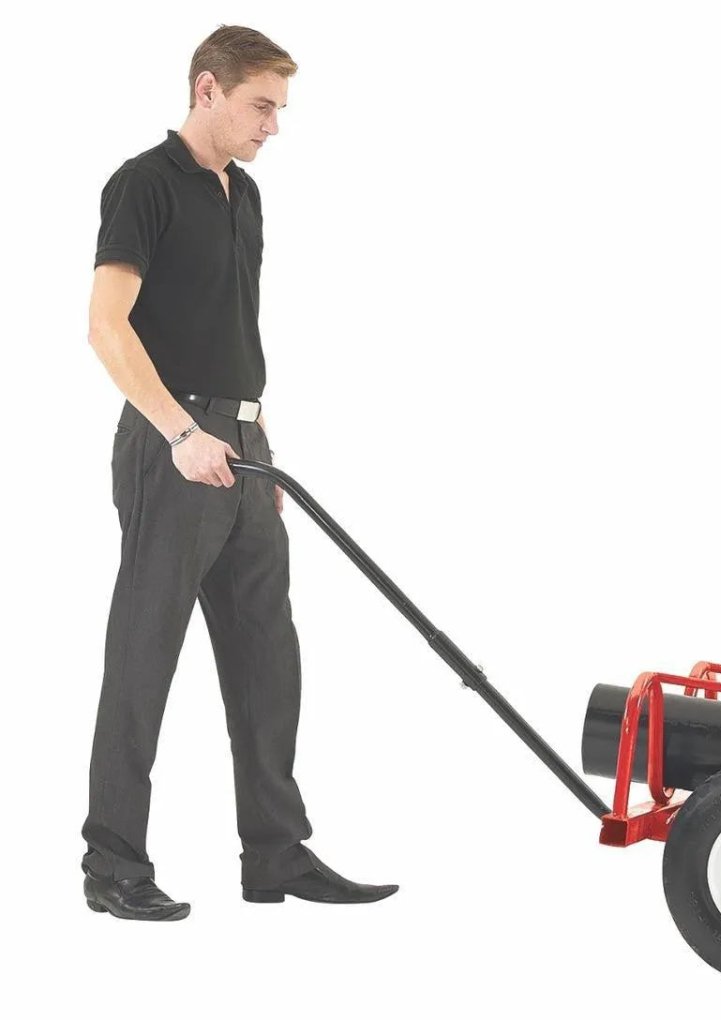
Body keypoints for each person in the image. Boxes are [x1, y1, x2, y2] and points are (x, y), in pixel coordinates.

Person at [82, 25, 397, 920]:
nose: (273, 126)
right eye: (262, 106)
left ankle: (277, 855)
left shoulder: (245, 194)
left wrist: (259, 442)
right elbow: (107, 327)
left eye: (280, 110)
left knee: (268, 654)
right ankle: (112, 864)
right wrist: (182, 431)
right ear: (207, 89)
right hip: (171, 440)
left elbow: (232, 332)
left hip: (246, 448)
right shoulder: (144, 184)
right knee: (145, 653)